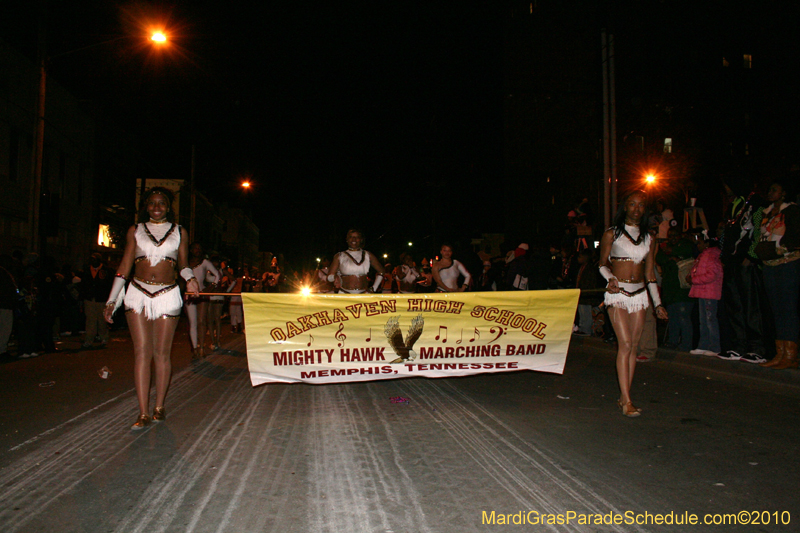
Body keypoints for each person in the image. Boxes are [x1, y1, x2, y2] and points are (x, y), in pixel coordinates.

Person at [104, 187, 199, 430]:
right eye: (152, 203)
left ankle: (159, 406)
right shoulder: (135, 230)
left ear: (168, 207)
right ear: (146, 206)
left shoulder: (179, 231)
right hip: (137, 294)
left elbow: (183, 264)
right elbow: (124, 266)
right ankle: (143, 412)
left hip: (167, 294)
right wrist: (112, 300)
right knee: (142, 353)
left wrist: (190, 279)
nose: (157, 207)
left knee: (162, 353)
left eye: (162, 203)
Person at [599, 190, 668, 417]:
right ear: (625, 207)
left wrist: (658, 304)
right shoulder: (612, 233)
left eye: (640, 205)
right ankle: (627, 400)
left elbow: (650, 274)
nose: (636, 209)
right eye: (632, 204)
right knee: (625, 344)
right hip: (617, 294)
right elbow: (602, 264)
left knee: (634, 346)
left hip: (639, 295)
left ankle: (624, 397)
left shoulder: (649, 237)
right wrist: (610, 278)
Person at [757, 180, 800, 369]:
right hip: (769, 264)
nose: (770, 192)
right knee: (776, 309)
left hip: (787, 263)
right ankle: (780, 352)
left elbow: (795, 235)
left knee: (787, 308)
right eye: (769, 189)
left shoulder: (792, 210)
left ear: (784, 193)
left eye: (774, 189)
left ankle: (790, 355)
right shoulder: (766, 212)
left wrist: (782, 248)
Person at [656, 227, 694, 352]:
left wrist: (671, 252)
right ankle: (672, 341)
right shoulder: (666, 246)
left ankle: (686, 344)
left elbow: (688, 251)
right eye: (670, 235)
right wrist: (673, 256)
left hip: (683, 291)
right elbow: (659, 258)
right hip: (670, 292)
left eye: (675, 235)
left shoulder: (686, 245)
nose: (672, 238)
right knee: (672, 318)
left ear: (680, 235)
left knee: (684, 317)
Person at [687, 229, 723, 356]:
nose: (698, 245)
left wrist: (694, 280)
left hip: (709, 292)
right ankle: (704, 345)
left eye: (700, 242)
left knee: (710, 320)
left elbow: (712, 274)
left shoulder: (711, 255)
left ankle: (714, 347)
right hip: (703, 292)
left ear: (707, 243)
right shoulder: (705, 255)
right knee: (704, 321)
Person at [186, 242, 221, 359]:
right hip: (190, 295)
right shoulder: (186, 264)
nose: (197, 250)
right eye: (195, 248)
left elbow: (217, 275)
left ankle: (201, 347)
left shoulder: (205, 262)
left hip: (202, 294)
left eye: (199, 248)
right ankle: (195, 348)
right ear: (191, 250)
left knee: (201, 321)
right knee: (192, 322)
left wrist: (212, 287)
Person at [327, 229, 385, 294]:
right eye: (351, 237)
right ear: (347, 239)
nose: (354, 239)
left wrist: (373, 288)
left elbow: (381, 272)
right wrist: (335, 277)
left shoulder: (368, 255)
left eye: (357, 237)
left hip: (363, 294)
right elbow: (329, 278)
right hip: (344, 294)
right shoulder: (339, 256)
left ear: (361, 240)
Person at [79, 252, 114, 349]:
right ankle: (89, 340)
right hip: (89, 298)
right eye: (91, 259)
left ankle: (104, 338)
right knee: (90, 321)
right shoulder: (87, 270)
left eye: (94, 259)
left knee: (102, 320)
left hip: (102, 299)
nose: (92, 261)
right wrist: (82, 298)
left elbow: (110, 285)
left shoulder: (106, 270)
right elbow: (83, 285)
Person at [206, 255, 227, 351]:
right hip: (209, 297)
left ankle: (217, 341)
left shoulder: (221, 271)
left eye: (216, 262)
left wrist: (226, 292)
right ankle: (213, 341)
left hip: (218, 296)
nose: (215, 264)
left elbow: (234, 280)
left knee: (217, 319)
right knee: (210, 320)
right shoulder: (207, 271)